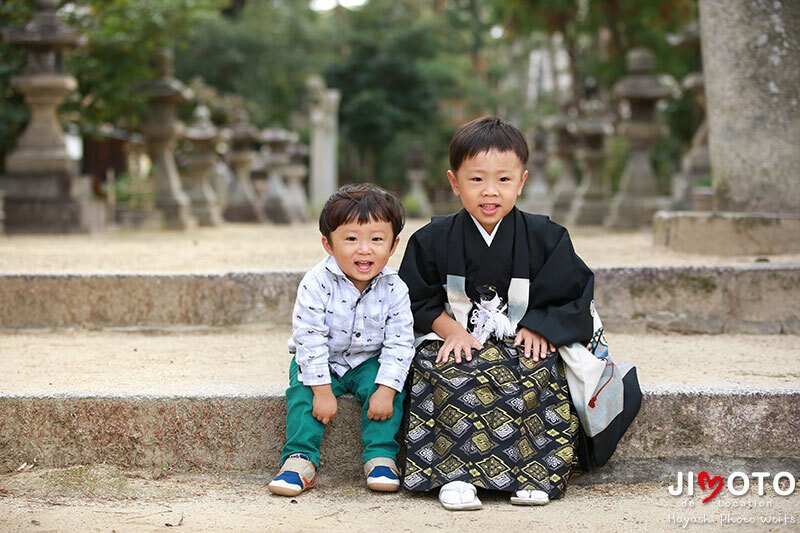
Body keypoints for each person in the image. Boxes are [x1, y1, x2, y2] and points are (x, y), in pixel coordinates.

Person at [398, 116, 595, 511]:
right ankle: (454, 475)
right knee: (446, 369)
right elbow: (412, 300)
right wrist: (449, 329)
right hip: (453, 338)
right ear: (454, 182)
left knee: (540, 369)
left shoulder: (548, 237)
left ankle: (536, 472)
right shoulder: (430, 240)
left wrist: (542, 327)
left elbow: (573, 297)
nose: (490, 192)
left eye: (503, 180)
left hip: (523, 338)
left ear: (521, 182)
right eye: (476, 180)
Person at [268, 184, 415, 497]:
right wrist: (322, 391)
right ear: (328, 244)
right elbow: (309, 339)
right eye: (351, 239)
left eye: (377, 239)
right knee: (303, 394)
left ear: (393, 245)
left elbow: (400, 344)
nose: (364, 249)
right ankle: (300, 459)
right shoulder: (315, 284)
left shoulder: (396, 289)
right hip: (323, 359)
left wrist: (387, 390)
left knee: (388, 389)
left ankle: (380, 456)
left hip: (369, 360)